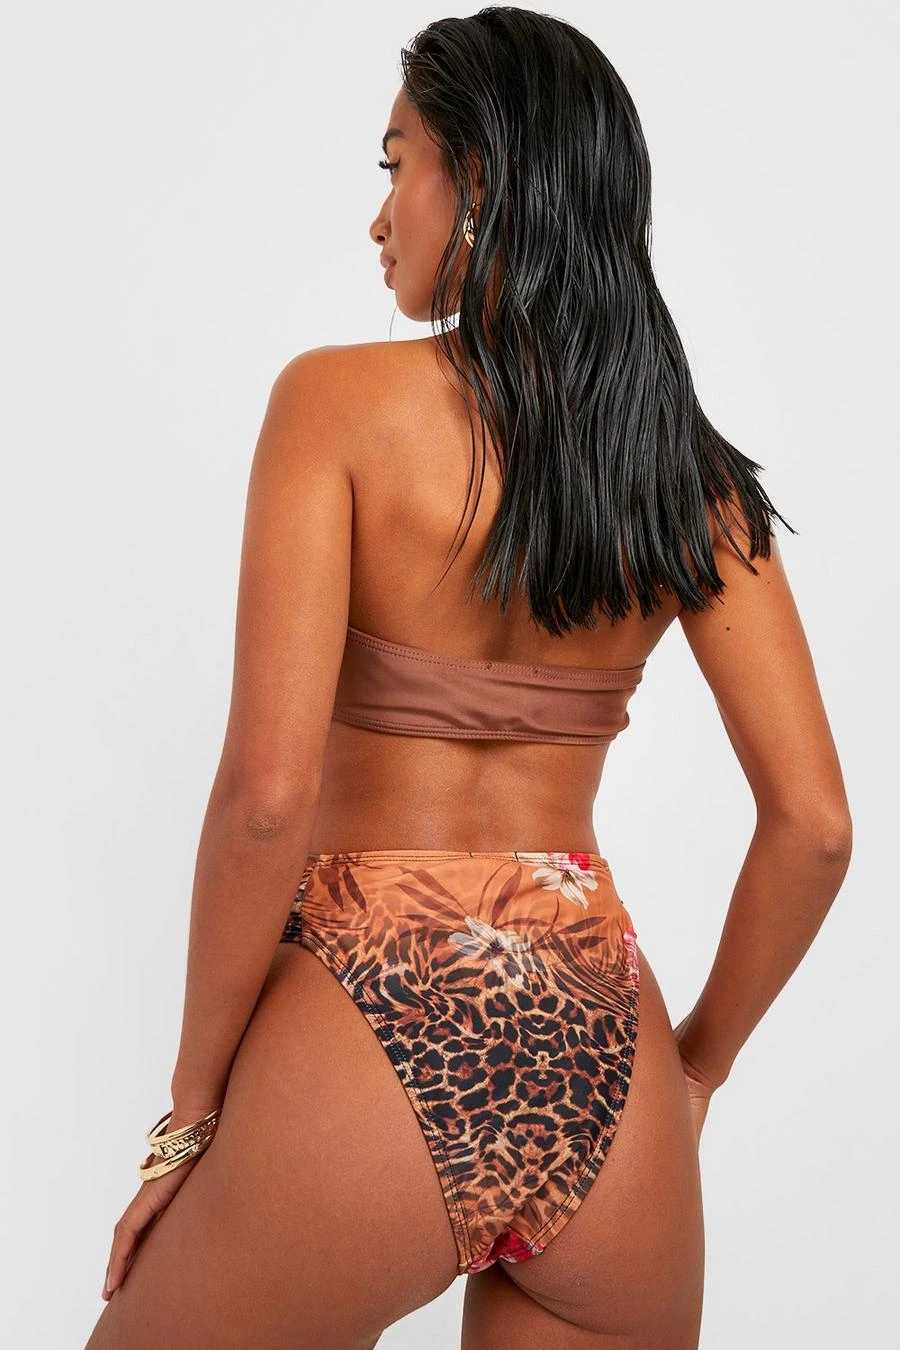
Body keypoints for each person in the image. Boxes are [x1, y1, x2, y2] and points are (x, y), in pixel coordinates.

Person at [85, 8, 852, 1349]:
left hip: (370, 1008)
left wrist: (191, 1116)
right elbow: (817, 826)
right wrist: (695, 1070)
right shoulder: (688, 478)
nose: (380, 218)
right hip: (603, 1053)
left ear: (479, 179)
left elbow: (266, 801)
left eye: (398, 167)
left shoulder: (335, 405)